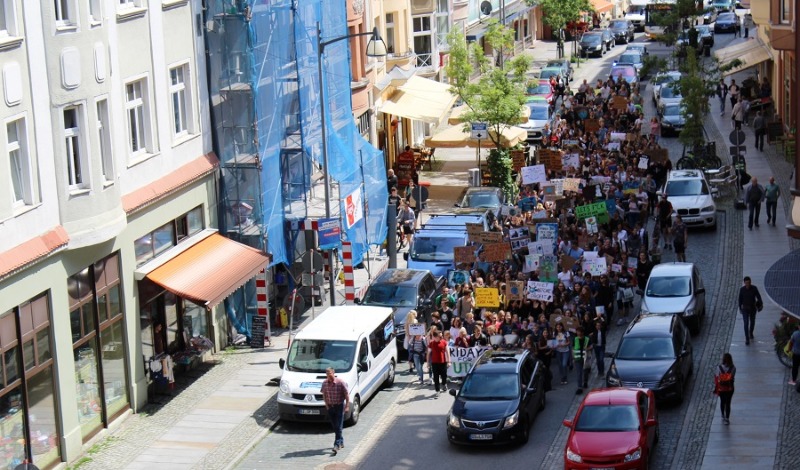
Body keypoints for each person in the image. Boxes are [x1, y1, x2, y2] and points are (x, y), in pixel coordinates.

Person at [321, 367, 350, 453]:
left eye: (329, 373)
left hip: (339, 406)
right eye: (326, 373)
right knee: (334, 426)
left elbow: (346, 394)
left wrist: (347, 405)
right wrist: (326, 405)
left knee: (338, 426)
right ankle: (341, 441)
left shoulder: (340, 382)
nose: (328, 375)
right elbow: (324, 395)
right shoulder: (324, 383)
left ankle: (336, 445)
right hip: (330, 406)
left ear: (333, 372)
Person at [738, 276, 763, 345]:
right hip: (745, 309)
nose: (748, 284)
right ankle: (747, 338)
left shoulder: (754, 288)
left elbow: (758, 297)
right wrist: (740, 307)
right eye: (746, 283)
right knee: (746, 323)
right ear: (744, 283)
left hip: (752, 308)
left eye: (749, 283)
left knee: (752, 322)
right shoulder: (742, 290)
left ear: (750, 282)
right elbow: (740, 299)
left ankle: (751, 333)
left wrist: (760, 304)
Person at [713, 353, 736, 425]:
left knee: (722, 402)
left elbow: (716, 378)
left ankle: (722, 415)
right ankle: (727, 418)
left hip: (721, 388)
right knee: (728, 403)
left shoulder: (719, 367)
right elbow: (732, 377)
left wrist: (716, 388)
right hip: (730, 388)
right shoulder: (733, 368)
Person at [427, 330, 451, 395]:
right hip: (434, 363)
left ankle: (444, 383)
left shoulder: (444, 342)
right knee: (436, 377)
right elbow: (428, 353)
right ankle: (437, 390)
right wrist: (428, 363)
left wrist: (449, 361)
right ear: (435, 337)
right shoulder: (431, 343)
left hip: (443, 362)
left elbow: (447, 351)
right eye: (440, 336)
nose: (441, 337)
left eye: (441, 336)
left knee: (444, 376)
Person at [572, 326, 592, 394]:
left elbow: (591, 346)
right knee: (579, 373)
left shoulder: (587, 339)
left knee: (585, 371)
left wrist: (588, 348)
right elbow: (573, 348)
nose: (578, 333)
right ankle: (579, 387)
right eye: (577, 331)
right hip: (577, 358)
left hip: (585, 358)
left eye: (579, 331)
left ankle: (585, 382)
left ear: (582, 332)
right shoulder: (575, 339)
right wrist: (573, 357)